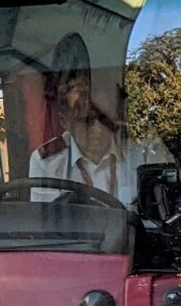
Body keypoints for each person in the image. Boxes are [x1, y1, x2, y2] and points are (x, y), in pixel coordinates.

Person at [29, 35, 159, 204]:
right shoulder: (47, 163)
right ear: (65, 122)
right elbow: (47, 224)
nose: (98, 129)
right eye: (86, 121)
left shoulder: (144, 153)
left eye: (104, 118)